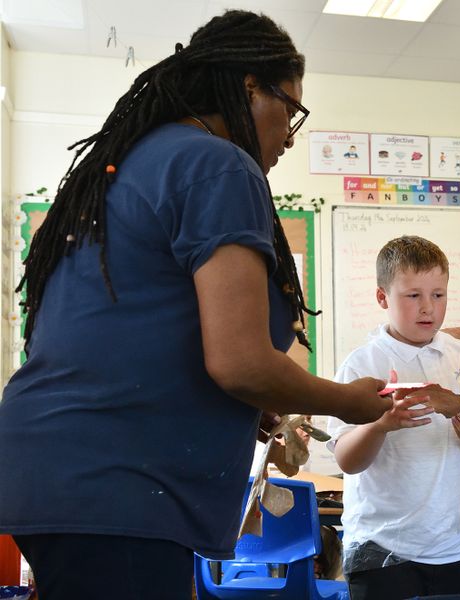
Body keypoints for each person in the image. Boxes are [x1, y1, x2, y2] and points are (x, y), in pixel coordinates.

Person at [0, 11, 390, 600]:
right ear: (249, 87)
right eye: (291, 108)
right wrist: (347, 402)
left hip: (58, 472)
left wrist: (241, 406)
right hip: (118, 483)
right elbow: (238, 363)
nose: (289, 134)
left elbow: (125, 334)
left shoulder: (130, 164)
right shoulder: (218, 163)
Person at [326, 235, 460, 600]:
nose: (428, 308)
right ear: (383, 298)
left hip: (456, 545)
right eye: (413, 296)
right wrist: (382, 425)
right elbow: (347, 461)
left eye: (438, 295)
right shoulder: (362, 364)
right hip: (380, 548)